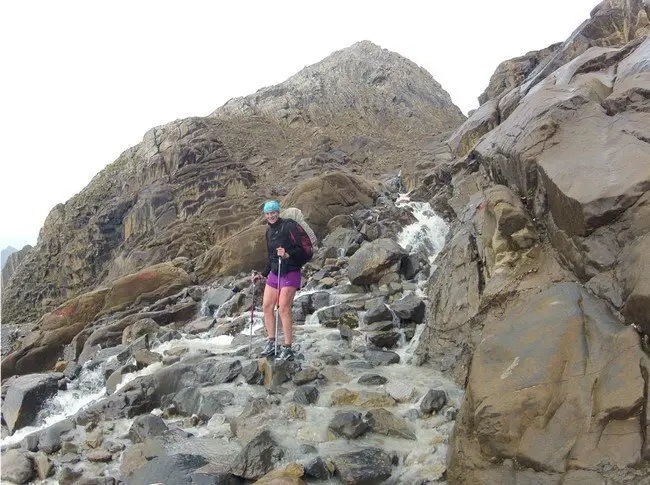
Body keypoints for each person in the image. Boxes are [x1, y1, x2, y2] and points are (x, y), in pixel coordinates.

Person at [253, 200, 309, 361]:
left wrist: (287, 254)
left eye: (273, 212)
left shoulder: (289, 226)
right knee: (267, 306)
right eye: (268, 213)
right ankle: (271, 342)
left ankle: (288, 347)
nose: (271, 216)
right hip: (275, 272)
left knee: (283, 308)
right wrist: (263, 274)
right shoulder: (269, 231)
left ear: (278, 212)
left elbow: (301, 251)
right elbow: (270, 256)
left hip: (290, 271)